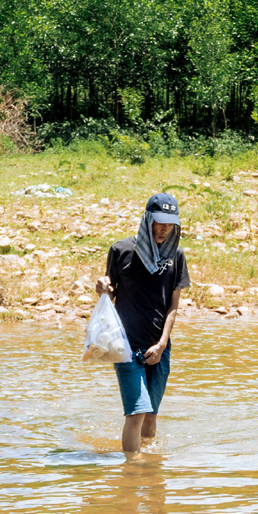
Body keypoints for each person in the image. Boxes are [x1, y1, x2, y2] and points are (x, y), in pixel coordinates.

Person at [96, 192, 190, 454]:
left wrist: (161, 345)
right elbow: (110, 290)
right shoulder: (121, 250)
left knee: (150, 415)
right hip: (125, 347)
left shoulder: (176, 256)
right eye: (159, 222)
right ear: (147, 219)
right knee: (136, 414)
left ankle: (148, 469)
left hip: (159, 348)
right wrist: (103, 287)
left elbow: (173, 307)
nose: (164, 229)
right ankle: (134, 472)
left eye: (170, 223)